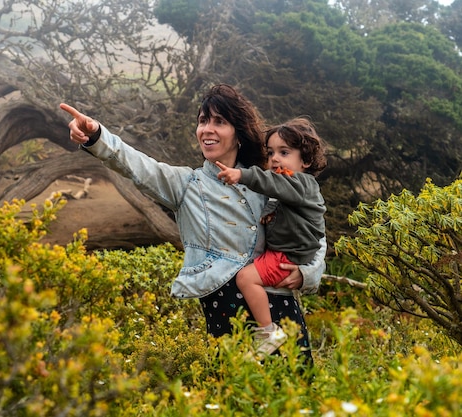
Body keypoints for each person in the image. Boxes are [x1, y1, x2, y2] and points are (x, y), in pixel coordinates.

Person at [59, 84, 325, 362]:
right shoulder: (187, 184)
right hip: (226, 310)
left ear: (238, 134)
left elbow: (312, 229)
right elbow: (137, 165)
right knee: (236, 397)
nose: (207, 129)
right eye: (202, 121)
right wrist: (97, 137)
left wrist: (308, 273)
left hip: (282, 310)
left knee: (296, 400)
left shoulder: (266, 180)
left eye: (219, 122)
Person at [216, 117, 327, 356]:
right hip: (288, 252)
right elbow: (279, 198)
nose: (275, 158)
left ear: (306, 160)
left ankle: (268, 332)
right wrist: (269, 213)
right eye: (271, 153)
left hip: (289, 256)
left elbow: (271, 183)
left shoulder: (302, 184)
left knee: (246, 278)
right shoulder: (292, 188)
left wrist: (241, 175)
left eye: (284, 152)